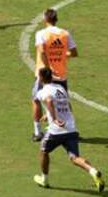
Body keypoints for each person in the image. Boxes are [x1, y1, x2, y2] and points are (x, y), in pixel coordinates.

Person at [32, 68, 104, 192]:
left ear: (42, 78)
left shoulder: (43, 91)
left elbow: (49, 101)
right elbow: (67, 105)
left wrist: (54, 118)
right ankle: (93, 171)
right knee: (74, 157)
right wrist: (48, 115)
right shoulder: (61, 89)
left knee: (43, 152)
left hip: (56, 131)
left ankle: (45, 179)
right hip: (71, 128)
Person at [31, 9, 77, 142]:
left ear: (45, 19)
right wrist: (62, 55)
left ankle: (37, 132)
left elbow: (42, 51)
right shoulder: (65, 34)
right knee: (65, 101)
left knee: (36, 99)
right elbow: (73, 53)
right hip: (61, 73)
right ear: (56, 19)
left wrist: (48, 68)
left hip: (44, 74)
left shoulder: (41, 34)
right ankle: (71, 129)